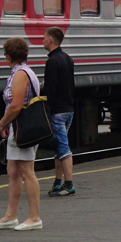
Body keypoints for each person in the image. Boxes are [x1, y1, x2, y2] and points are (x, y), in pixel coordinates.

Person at [0, 37, 43, 231]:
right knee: (13, 171)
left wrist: (1, 123)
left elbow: (16, 105)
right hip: (17, 128)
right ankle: (10, 216)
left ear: (9, 56)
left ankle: (34, 217)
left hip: (23, 129)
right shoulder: (22, 72)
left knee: (27, 171)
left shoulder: (21, 74)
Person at [42, 27, 76, 197]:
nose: (42, 41)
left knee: (63, 148)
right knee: (58, 147)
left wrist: (47, 110)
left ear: (50, 40)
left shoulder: (52, 62)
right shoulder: (67, 59)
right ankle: (57, 183)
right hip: (69, 109)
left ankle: (69, 185)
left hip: (58, 111)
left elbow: (50, 89)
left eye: (44, 38)